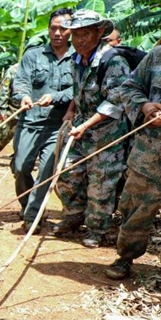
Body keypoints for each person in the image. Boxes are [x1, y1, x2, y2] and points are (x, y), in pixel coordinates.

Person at [51, 10, 131, 248]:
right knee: (67, 174)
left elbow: (115, 101)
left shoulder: (113, 61)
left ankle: (97, 230)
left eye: (85, 34)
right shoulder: (78, 59)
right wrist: (72, 110)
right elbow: (80, 89)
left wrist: (85, 124)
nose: (79, 40)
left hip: (108, 134)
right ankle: (73, 217)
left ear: (99, 32)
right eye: (75, 35)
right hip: (82, 129)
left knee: (101, 183)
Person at [10, 8, 75, 232]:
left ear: (70, 30)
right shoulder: (33, 55)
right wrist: (24, 96)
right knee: (20, 167)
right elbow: (21, 81)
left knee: (46, 173)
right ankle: (27, 205)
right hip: (29, 122)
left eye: (63, 28)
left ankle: (32, 216)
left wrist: (56, 97)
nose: (57, 33)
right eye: (53, 28)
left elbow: (79, 89)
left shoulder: (78, 58)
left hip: (57, 126)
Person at [103, 46, 161, 279]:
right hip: (149, 155)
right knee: (134, 209)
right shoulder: (157, 56)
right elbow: (129, 87)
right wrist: (145, 106)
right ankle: (126, 256)